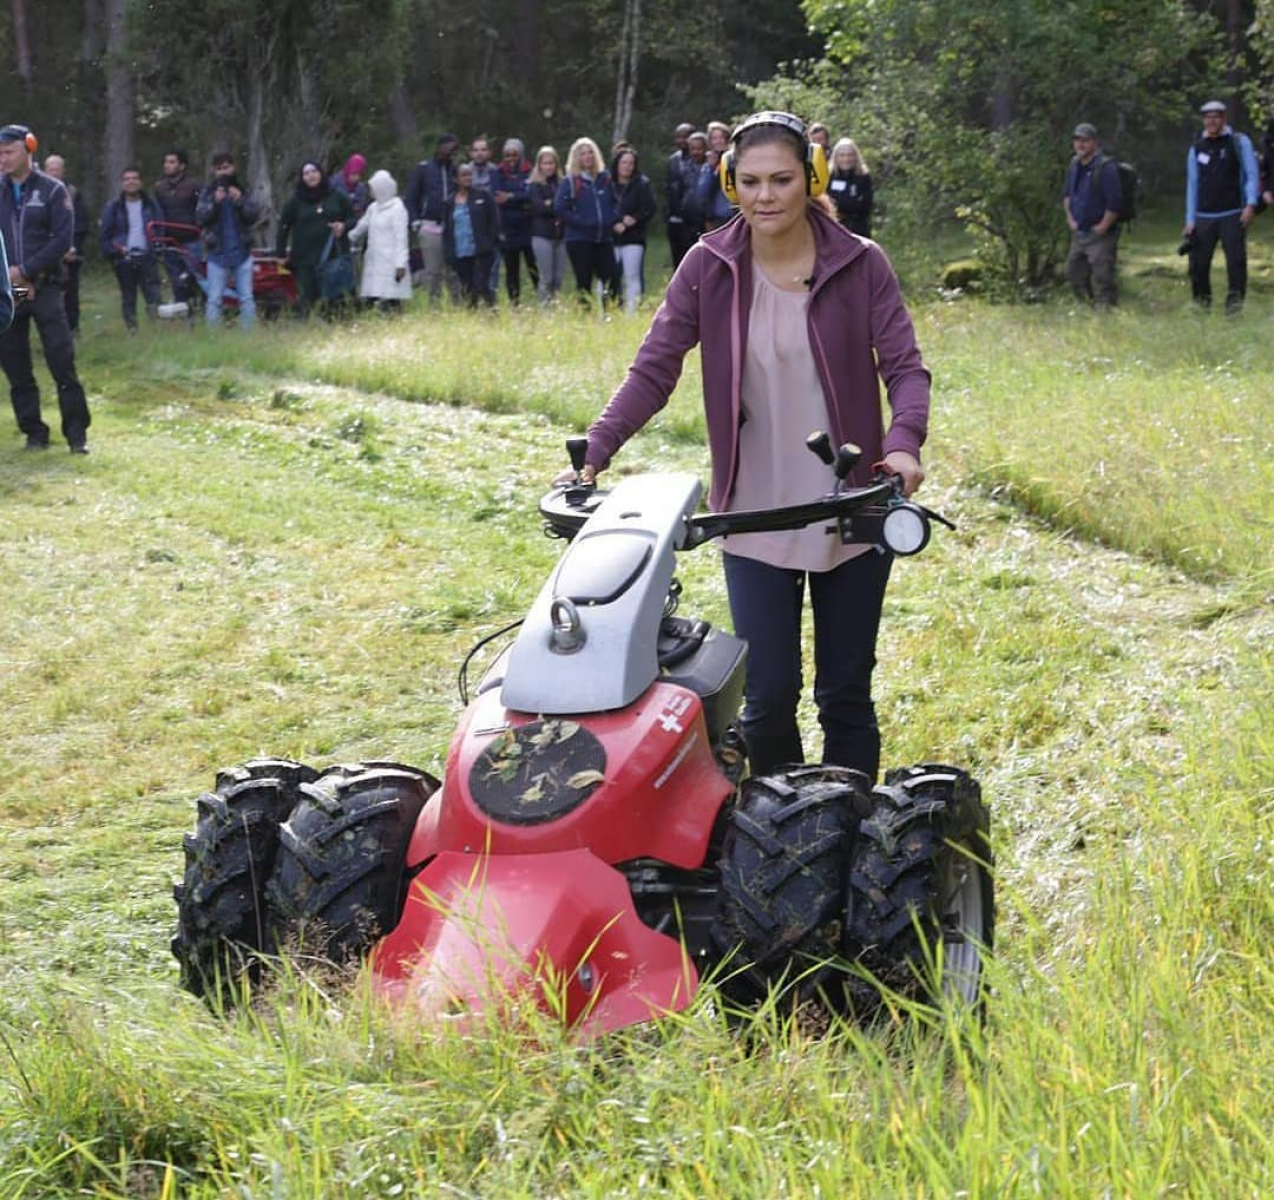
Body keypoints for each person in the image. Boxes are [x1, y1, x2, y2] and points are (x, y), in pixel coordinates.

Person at [570, 111, 930, 781]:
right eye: (751, 181)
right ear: (729, 182)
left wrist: (903, 443)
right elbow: (655, 368)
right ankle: (784, 843)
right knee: (766, 701)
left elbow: (905, 368)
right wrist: (599, 444)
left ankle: (849, 834)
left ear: (811, 178)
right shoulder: (708, 267)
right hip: (753, 515)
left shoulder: (861, 263)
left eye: (783, 180)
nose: (766, 196)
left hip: (853, 508)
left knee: (845, 696)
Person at [0, 124, 91, 452]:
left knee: (61, 359)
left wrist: (25, 272)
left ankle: (76, 433)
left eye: (9, 151)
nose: (3, 159)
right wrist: (19, 281)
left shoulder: (53, 190)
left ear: (29, 149)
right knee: (15, 363)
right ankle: (34, 432)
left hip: (47, 288)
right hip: (12, 291)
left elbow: (62, 241)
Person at [1184, 100, 1260, 314]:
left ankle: (1234, 309)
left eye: (1216, 116)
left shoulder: (1238, 142)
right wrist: (1190, 220)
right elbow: (1192, 185)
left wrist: (1251, 204)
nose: (1212, 120)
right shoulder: (1197, 147)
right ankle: (1201, 307)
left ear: (1224, 118)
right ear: (1203, 120)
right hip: (1204, 216)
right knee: (1198, 266)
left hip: (1233, 213)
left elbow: (1251, 174)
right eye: (1208, 117)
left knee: (1236, 264)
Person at [274, 160, 354, 316]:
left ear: (321, 173)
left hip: (332, 257)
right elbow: (283, 227)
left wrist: (343, 226)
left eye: (314, 171)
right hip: (305, 259)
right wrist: (280, 254)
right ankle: (305, 331)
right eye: (306, 173)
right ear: (302, 178)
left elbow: (352, 219)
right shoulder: (295, 201)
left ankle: (336, 330)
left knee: (334, 299)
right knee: (307, 299)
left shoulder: (337, 195)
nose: (311, 175)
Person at [196, 150, 260, 329]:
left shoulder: (243, 190)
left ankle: (248, 338)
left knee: (246, 298)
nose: (223, 172)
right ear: (214, 171)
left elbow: (253, 216)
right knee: (215, 298)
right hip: (217, 254)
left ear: (233, 167)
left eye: (227, 167)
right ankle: (213, 339)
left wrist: (239, 200)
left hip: (242, 253)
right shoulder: (208, 193)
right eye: (219, 168)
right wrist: (215, 203)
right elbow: (200, 218)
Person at [1062, 122, 1123, 307]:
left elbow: (1115, 202)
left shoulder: (1105, 167)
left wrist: (1103, 226)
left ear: (1095, 143)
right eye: (1077, 140)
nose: (1080, 144)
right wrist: (1070, 219)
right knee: (1073, 272)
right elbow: (1066, 194)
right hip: (1079, 231)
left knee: (1102, 275)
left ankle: (1107, 312)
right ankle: (1086, 307)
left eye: (1085, 140)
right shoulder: (1074, 164)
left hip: (1100, 234)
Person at [99, 166, 164, 330]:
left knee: (154, 295)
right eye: (127, 179)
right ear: (122, 183)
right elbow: (105, 236)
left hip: (147, 256)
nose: (131, 182)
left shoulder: (151, 204)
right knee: (128, 297)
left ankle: (157, 329)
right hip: (124, 259)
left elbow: (160, 228)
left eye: (135, 178)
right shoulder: (113, 207)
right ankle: (132, 330)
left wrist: (157, 248)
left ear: (141, 182)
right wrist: (115, 253)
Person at [554, 137, 616, 306]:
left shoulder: (605, 179)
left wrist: (611, 219)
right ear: (576, 157)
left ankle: (609, 315)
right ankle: (585, 317)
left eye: (590, 153)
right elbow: (560, 208)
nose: (587, 157)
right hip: (579, 240)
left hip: (604, 239)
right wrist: (583, 221)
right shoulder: (570, 182)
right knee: (584, 282)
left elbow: (616, 203)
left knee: (610, 279)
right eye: (583, 154)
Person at [348, 169, 411, 312]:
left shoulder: (397, 208)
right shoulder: (373, 207)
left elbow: (401, 238)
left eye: (373, 188)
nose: (370, 191)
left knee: (391, 297)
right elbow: (361, 227)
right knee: (373, 294)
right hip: (374, 259)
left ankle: (394, 322)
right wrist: (345, 236)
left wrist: (400, 264)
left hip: (391, 262)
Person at [405, 134, 458, 302]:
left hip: (452, 226)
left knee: (453, 268)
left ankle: (459, 304)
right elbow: (411, 197)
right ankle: (434, 307)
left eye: (455, 150)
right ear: (440, 147)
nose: (452, 153)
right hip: (429, 226)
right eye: (449, 149)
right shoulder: (424, 168)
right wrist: (414, 221)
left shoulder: (456, 170)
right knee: (433, 270)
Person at [42, 154, 88, 334]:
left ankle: (73, 328)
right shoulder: (35, 192)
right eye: (50, 169)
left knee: (70, 293)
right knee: (30, 292)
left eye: (57, 169)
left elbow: (82, 224)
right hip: (42, 255)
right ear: (45, 171)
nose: (54, 173)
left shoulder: (73, 193)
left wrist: (71, 247)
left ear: (63, 171)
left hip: (69, 253)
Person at [609, 146, 656, 314]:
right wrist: (615, 222)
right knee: (610, 276)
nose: (627, 166)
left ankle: (632, 312)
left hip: (634, 237)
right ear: (617, 164)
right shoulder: (607, 182)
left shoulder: (642, 183)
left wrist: (633, 220)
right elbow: (603, 206)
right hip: (611, 237)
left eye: (631, 163)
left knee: (632, 276)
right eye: (624, 162)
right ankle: (609, 309)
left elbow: (649, 208)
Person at [444, 162, 498, 307]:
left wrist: (489, 242)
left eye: (469, 174)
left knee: (482, 284)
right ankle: (472, 317)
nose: (468, 177)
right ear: (456, 179)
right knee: (468, 287)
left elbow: (494, 220)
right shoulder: (449, 202)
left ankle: (492, 314)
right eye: (464, 175)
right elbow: (447, 229)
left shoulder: (483, 195)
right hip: (461, 251)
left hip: (481, 250)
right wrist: (449, 253)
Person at [153, 148, 202, 307]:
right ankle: (182, 309)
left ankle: (201, 306)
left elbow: (203, 211)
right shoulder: (159, 188)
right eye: (166, 162)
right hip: (169, 242)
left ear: (182, 166)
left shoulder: (194, 186)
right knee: (176, 279)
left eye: (172, 162)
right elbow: (157, 213)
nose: (167, 165)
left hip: (192, 241)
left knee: (197, 276)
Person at [493, 138, 539, 305]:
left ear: (521, 154)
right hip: (507, 228)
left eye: (514, 154)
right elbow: (497, 196)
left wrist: (511, 196)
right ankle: (515, 305)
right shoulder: (497, 172)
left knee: (534, 267)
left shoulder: (530, 170)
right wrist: (519, 197)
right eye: (507, 155)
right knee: (512, 271)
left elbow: (531, 195)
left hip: (529, 227)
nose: (511, 158)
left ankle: (543, 302)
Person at [528, 146, 566, 304]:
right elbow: (539, 208)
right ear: (539, 165)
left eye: (552, 163)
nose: (549, 166)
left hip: (561, 236)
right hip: (542, 235)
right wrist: (553, 205)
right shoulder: (534, 185)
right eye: (545, 163)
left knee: (558, 278)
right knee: (546, 277)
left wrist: (551, 203)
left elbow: (565, 206)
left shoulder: (563, 183)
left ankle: (555, 306)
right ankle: (544, 310)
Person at [665, 122, 700, 269]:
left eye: (685, 137)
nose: (681, 141)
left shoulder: (699, 160)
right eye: (678, 137)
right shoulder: (673, 160)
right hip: (674, 218)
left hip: (693, 220)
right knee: (677, 260)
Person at [827, 138, 873, 237]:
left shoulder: (863, 176)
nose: (846, 159)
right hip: (835, 227)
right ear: (836, 157)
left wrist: (840, 203)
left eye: (850, 155)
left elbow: (865, 206)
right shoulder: (829, 176)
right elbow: (825, 203)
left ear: (855, 157)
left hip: (858, 228)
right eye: (842, 155)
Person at [697, 120, 737, 231]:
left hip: (736, 215)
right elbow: (702, 193)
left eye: (721, 137)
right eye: (714, 138)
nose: (718, 141)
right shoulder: (709, 165)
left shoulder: (736, 159)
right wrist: (710, 168)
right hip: (717, 219)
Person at [330, 153, 370, 221]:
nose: (357, 178)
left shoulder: (361, 188)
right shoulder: (334, 183)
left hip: (354, 223)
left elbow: (362, 206)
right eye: (354, 174)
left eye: (360, 174)